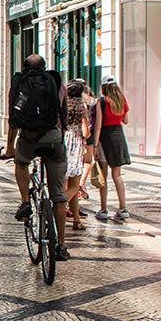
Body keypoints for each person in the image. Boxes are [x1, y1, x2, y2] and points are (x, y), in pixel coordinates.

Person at [0, 55, 70, 261]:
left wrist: (10, 146)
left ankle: (24, 202)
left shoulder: (19, 85)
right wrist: (60, 139)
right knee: (58, 195)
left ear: (24, 67)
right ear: (44, 68)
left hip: (28, 138)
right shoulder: (56, 83)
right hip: (53, 137)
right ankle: (61, 247)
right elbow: (63, 116)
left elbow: (14, 118)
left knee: (21, 163)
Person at [93, 76, 131, 221]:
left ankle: (103, 209)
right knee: (117, 175)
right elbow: (126, 121)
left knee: (104, 175)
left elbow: (98, 125)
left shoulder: (102, 102)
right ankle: (123, 208)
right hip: (118, 137)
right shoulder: (122, 100)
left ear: (103, 88)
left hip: (104, 139)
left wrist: (95, 145)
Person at [63, 79, 90, 232]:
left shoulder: (64, 105)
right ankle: (59, 206)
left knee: (65, 183)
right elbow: (85, 132)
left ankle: (77, 220)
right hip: (76, 144)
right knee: (74, 185)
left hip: (63, 142)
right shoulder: (82, 108)